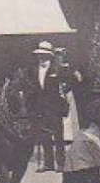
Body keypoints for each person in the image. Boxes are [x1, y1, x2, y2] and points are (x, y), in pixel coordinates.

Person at [21, 40, 69, 172]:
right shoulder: (33, 69)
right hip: (39, 107)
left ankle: (60, 163)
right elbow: (30, 87)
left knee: (58, 136)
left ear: (50, 56)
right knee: (43, 136)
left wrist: (63, 101)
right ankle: (48, 163)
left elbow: (65, 85)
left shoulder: (57, 69)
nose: (41, 57)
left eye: (44, 55)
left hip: (54, 107)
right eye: (39, 55)